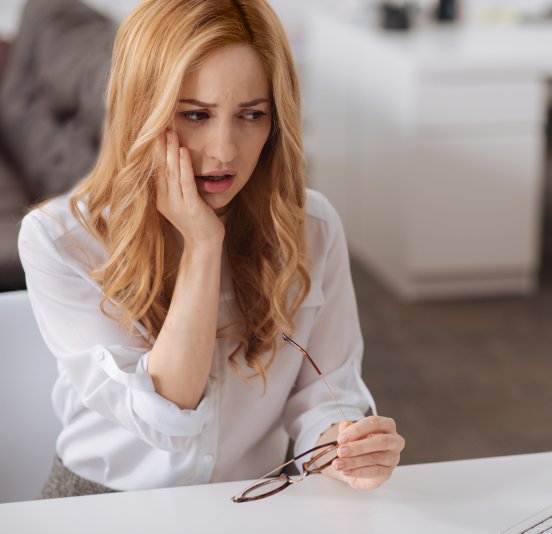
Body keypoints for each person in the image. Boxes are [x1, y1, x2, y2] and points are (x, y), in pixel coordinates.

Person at [18, 0, 404, 498]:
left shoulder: (311, 226)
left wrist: (345, 445)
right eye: (196, 115)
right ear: (142, 110)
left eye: (251, 115)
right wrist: (203, 244)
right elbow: (167, 417)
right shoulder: (61, 240)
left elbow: (325, 391)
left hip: (254, 500)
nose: (224, 150)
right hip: (105, 505)